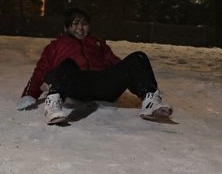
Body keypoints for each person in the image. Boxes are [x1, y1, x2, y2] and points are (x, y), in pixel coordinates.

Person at [17, 7, 173, 124]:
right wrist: (29, 94)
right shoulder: (55, 46)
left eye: (84, 24)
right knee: (67, 64)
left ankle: (150, 102)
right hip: (76, 86)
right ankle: (53, 106)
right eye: (75, 24)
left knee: (138, 57)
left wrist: (139, 84)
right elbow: (41, 70)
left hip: (103, 85)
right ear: (66, 28)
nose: (80, 28)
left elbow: (117, 64)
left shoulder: (98, 43)